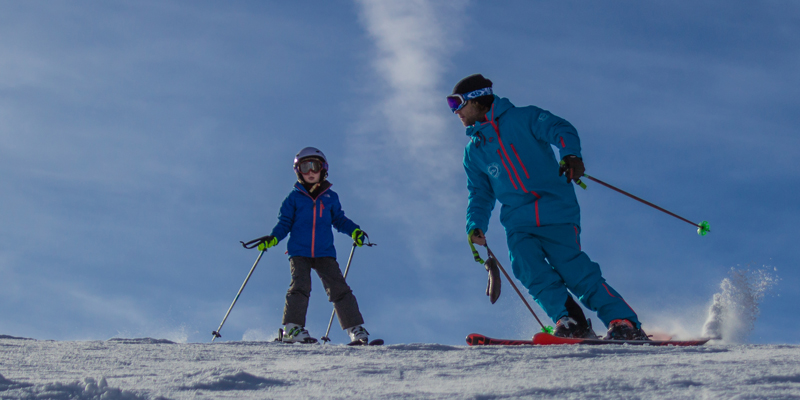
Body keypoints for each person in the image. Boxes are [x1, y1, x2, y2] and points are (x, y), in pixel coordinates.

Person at [448, 74, 647, 340]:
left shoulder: (524, 118)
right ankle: (570, 322)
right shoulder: (474, 152)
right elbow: (480, 193)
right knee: (528, 268)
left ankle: (623, 322)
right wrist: (475, 223)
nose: (455, 111)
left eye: (457, 103)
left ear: (478, 99)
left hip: (556, 211)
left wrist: (570, 156)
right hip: (518, 222)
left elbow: (561, 129)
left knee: (576, 272)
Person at [258, 147, 372, 344]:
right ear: (298, 171)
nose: (310, 171)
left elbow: (339, 220)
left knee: (339, 288)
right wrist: (273, 238)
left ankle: (355, 329)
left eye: (315, 166)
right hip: (299, 251)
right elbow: (284, 223)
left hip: (324, 252)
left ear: (323, 169)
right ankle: (292, 329)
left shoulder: (330, 197)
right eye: (305, 167)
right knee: (300, 285)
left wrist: (355, 231)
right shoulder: (293, 198)